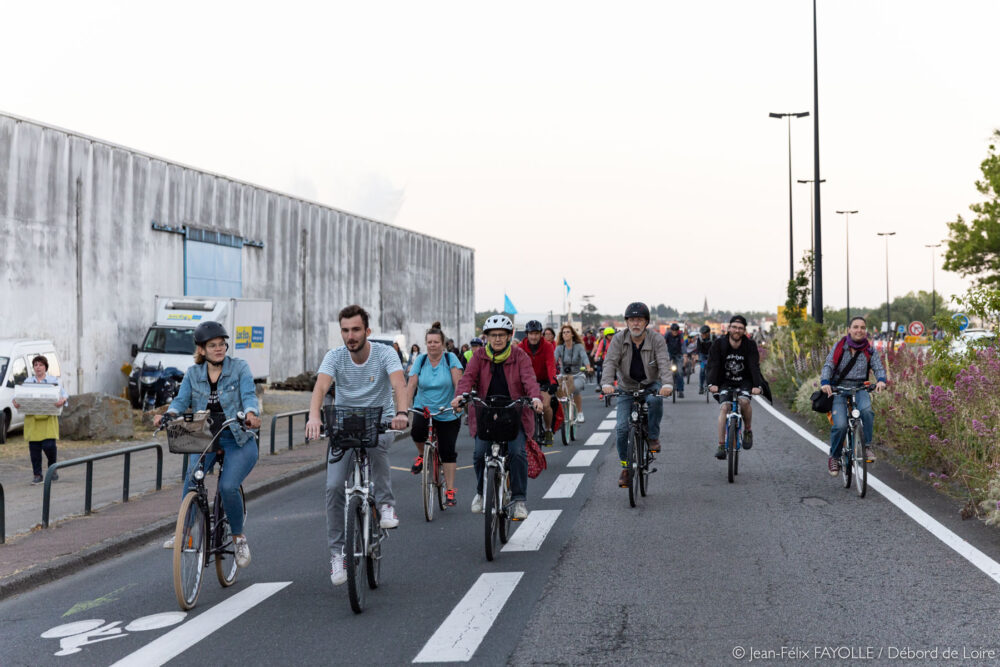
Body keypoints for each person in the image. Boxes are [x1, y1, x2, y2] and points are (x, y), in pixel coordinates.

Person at [304, 305, 410, 587]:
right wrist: (314, 416)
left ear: (367, 331)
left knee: (375, 446)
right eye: (345, 330)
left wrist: (401, 413)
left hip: (382, 421)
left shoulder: (385, 353)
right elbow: (320, 388)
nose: (350, 336)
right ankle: (337, 554)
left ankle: (386, 505)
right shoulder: (335, 357)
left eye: (356, 330)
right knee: (334, 486)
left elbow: (399, 385)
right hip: (346, 426)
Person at [155, 321, 261, 567]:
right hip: (205, 437)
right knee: (192, 477)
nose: (219, 349)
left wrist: (251, 414)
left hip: (238, 437)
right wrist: (169, 415)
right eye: (212, 345)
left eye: (222, 344)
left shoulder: (239, 368)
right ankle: (183, 533)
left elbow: (248, 396)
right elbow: (181, 402)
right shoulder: (193, 374)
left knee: (228, 486)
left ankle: (238, 538)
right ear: (201, 349)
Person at [451, 314, 543, 520]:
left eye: (502, 335)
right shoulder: (479, 356)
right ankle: (481, 493)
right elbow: (467, 379)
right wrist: (459, 396)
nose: (497, 339)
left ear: (510, 336)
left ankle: (519, 499)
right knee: (478, 454)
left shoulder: (520, 356)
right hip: (486, 412)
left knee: (518, 453)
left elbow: (529, 380)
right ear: (486, 337)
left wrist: (535, 398)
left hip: (514, 412)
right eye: (493, 335)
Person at [600, 302, 673, 487]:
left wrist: (667, 385)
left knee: (655, 402)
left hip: (651, 384)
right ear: (626, 322)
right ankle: (626, 467)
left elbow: (664, 363)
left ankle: (653, 436)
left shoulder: (656, 339)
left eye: (639, 320)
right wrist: (607, 383)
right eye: (632, 320)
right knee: (622, 429)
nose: (635, 324)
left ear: (646, 322)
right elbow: (609, 362)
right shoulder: (618, 339)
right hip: (627, 387)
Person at [819, 316, 887, 475]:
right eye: (855, 327)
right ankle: (834, 457)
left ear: (866, 331)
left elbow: (878, 367)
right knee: (840, 425)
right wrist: (825, 382)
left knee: (867, 412)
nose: (859, 330)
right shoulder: (840, 347)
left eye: (862, 327)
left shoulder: (869, 349)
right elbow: (828, 365)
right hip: (839, 390)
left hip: (860, 388)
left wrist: (881, 381)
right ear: (849, 330)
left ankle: (867, 446)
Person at [407, 322, 463, 507]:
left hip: (447, 410)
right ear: (426, 343)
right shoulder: (420, 360)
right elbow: (411, 385)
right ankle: (422, 455)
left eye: (436, 342)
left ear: (443, 343)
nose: (432, 345)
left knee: (447, 451)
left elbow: (458, 383)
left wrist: (458, 402)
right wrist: (403, 409)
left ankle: (450, 490)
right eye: (429, 342)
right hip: (424, 408)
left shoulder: (450, 359)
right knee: (416, 431)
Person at [706, 315, 764, 460]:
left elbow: (754, 366)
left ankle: (748, 430)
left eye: (740, 328)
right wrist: (712, 384)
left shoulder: (749, 345)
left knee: (744, 402)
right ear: (729, 328)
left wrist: (757, 385)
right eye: (734, 327)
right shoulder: (719, 344)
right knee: (724, 408)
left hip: (744, 381)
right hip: (724, 381)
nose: (737, 330)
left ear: (744, 331)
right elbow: (714, 365)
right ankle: (720, 445)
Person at [13, 356, 68, 484]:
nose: (38, 367)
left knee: (49, 446)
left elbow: (64, 394)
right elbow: (17, 396)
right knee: (34, 450)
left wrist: (63, 400)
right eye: (36, 365)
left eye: (41, 365)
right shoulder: (28, 381)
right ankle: (37, 474)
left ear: (45, 367)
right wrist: (15, 402)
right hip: (32, 420)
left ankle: (52, 467)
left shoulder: (53, 381)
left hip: (48, 419)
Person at [518, 320, 558, 445]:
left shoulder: (547, 346)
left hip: (543, 381)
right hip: (526, 381)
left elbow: (550, 365)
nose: (534, 336)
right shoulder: (520, 347)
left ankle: (548, 429)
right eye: (531, 333)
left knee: (545, 405)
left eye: (536, 333)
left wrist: (553, 381)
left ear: (541, 334)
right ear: (526, 334)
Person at [554, 324, 592, 423]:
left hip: (577, 375)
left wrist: (588, 367)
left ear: (572, 335)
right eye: (564, 332)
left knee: (575, 389)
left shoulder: (579, 346)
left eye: (568, 332)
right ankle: (562, 413)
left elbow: (584, 357)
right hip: (564, 376)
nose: (566, 334)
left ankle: (579, 412)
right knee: (555, 389)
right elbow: (553, 360)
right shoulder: (559, 348)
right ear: (561, 335)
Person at [664, 323, 686, 398]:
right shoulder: (667, 334)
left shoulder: (680, 335)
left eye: (676, 331)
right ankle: (665, 389)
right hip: (669, 354)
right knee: (665, 370)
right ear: (671, 330)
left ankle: (680, 390)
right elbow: (663, 343)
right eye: (673, 331)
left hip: (678, 354)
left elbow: (683, 344)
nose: (675, 333)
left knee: (679, 372)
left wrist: (685, 354)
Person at [695, 325, 714, 394]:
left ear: (708, 333)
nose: (702, 335)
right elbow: (698, 349)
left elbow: (716, 348)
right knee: (702, 370)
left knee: (711, 370)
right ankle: (701, 387)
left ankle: (711, 385)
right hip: (702, 355)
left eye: (703, 333)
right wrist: (697, 356)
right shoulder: (699, 339)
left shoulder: (713, 338)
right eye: (701, 333)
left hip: (711, 355)